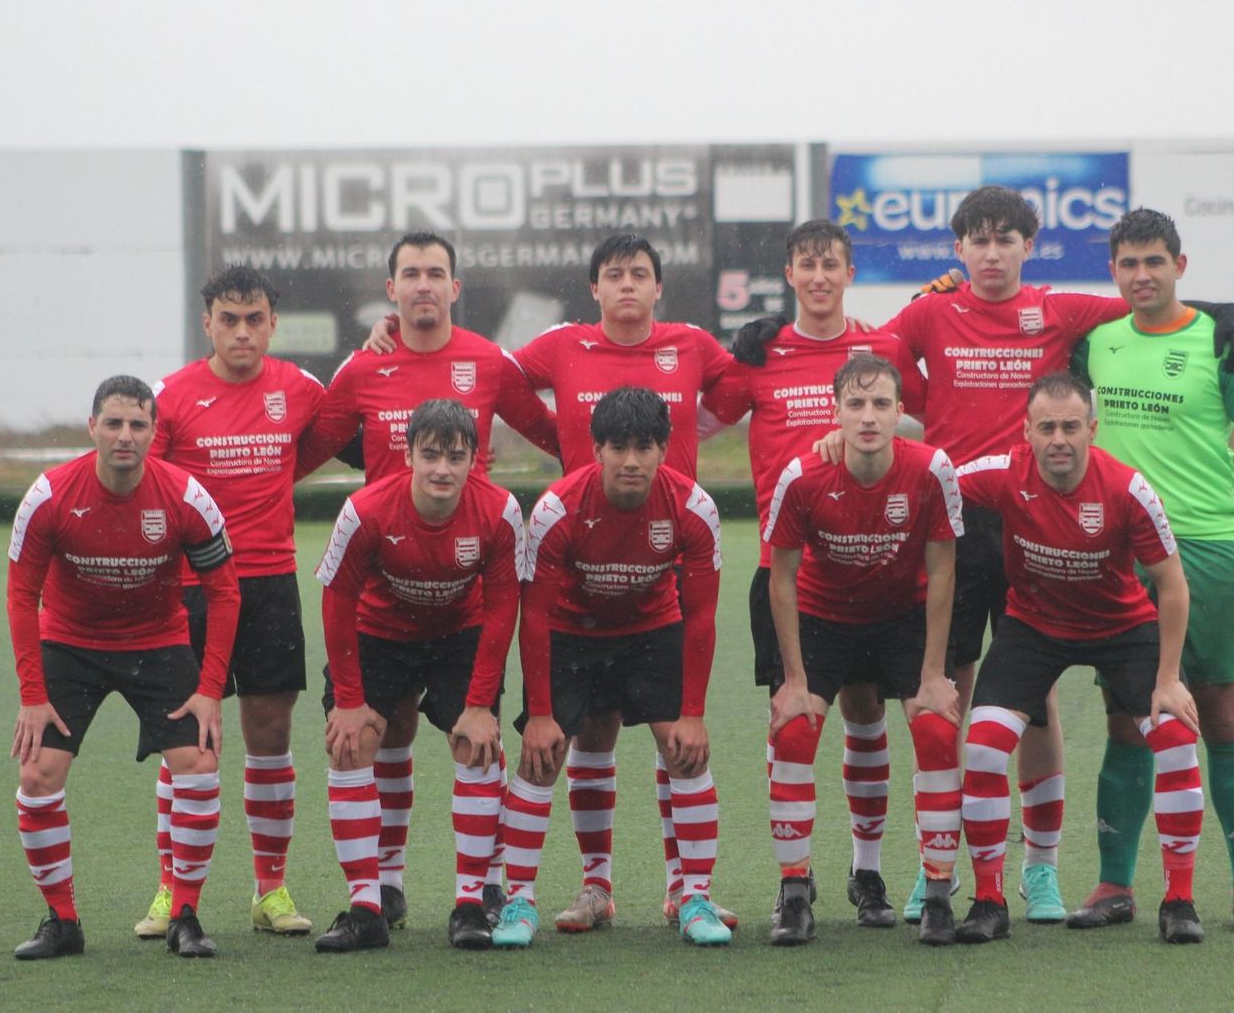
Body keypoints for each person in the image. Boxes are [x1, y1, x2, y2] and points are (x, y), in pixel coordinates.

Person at [783, 186, 1234, 924]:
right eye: (979, 240)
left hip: (1043, 525)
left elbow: (1151, 312)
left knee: (1035, 702)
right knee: (949, 697)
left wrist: (1225, 313)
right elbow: (865, 363)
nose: (993, 253)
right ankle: (938, 866)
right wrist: (816, 399)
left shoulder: (1059, 309)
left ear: (1028, 248)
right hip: (957, 524)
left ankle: (1038, 869)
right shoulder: (933, 312)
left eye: (1007, 240)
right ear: (959, 251)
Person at [298, 231, 559, 927]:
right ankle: (379, 890)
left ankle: (482, 889)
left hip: (462, 595)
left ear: (454, 288)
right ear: (391, 290)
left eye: (435, 273)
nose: (422, 285)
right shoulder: (362, 369)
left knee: (476, 738)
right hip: (382, 594)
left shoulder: (486, 361)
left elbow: (562, 437)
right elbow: (300, 456)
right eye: (409, 273)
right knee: (371, 735)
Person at [1068, 208, 1234, 933]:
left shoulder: (1221, 344)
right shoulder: (1095, 345)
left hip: (1211, 554)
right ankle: (1114, 885)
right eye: (1128, 264)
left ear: (1180, 266)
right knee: (1127, 721)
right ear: (1112, 272)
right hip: (1122, 556)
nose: (1141, 275)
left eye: (1154, 262)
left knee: (1224, 715)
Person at [704, 219, 937, 925]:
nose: (818, 276)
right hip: (791, 574)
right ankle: (793, 884)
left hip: (880, 567)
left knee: (868, 718)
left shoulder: (883, 350)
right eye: (806, 265)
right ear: (790, 274)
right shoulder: (761, 351)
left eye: (830, 264)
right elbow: (693, 426)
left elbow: (930, 425)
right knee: (793, 721)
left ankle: (866, 875)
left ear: (849, 272)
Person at [505, 234, 738, 931]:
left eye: (641, 274)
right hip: (576, 626)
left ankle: (688, 893)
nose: (628, 284)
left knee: (684, 744)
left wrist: (693, 708)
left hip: (650, 620)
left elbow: (701, 619)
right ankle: (571, 892)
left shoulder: (693, 504)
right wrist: (540, 710)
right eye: (615, 274)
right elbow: (533, 614)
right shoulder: (554, 508)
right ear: (595, 288)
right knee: (553, 750)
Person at [949, 372, 1207, 946]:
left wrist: (1167, 679)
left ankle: (1179, 899)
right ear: (1027, 432)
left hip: (1123, 628)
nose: (1058, 439)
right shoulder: (1001, 473)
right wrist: (843, 444)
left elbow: (1172, 584)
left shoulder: (1128, 488)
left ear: (1092, 429)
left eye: (1071, 426)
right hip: (1034, 626)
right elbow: (928, 473)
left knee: (1175, 738)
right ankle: (988, 899)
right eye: (1047, 427)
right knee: (984, 745)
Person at [6, 375, 241, 959]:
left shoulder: (187, 497)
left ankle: (185, 914)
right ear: (92, 428)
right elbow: (20, 595)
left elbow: (226, 593)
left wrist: (210, 689)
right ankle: (62, 922)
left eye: (138, 425)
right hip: (69, 643)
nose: (125, 436)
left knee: (199, 763)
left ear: (155, 433)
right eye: (113, 423)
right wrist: (33, 694)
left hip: (156, 642)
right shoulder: (49, 495)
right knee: (37, 777)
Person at [134, 266, 324, 940]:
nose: (242, 332)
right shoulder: (173, 397)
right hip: (188, 590)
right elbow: (142, 483)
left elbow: (324, 443)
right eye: (229, 320)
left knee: (269, 738)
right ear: (208, 322)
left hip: (269, 584)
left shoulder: (300, 390)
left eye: (255, 320)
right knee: (185, 744)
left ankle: (269, 890)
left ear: (272, 323)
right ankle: (170, 891)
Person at [760, 353, 963, 945]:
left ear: (901, 411)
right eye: (855, 404)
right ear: (836, 412)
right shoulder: (801, 476)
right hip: (826, 618)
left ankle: (938, 894)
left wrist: (931, 673)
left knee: (935, 729)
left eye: (880, 404)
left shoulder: (932, 470)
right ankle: (795, 892)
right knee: (794, 730)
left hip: (902, 618)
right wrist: (794, 679)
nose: (869, 416)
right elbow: (781, 577)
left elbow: (944, 570)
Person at [311, 399, 525, 952]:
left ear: (475, 459)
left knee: (476, 745)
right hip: (379, 632)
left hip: (459, 634)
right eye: (429, 455)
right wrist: (351, 700)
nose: (441, 470)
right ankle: (368, 906)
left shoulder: (500, 511)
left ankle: (472, 903)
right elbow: (336, 604)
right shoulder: (364, 510)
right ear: (407, 455)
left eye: (455, 457)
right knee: (351, 742)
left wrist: (480, 704)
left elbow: (503, 608)